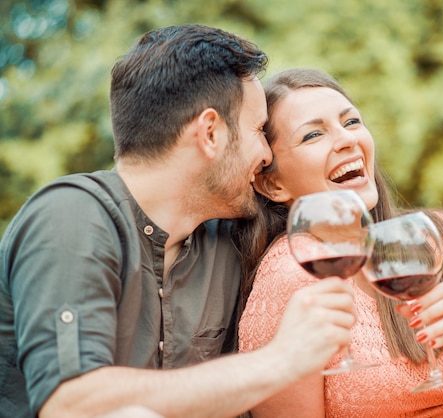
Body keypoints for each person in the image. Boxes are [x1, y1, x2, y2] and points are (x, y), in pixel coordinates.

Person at [0, 26, 358, 418]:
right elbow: (73, 404)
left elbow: (333, 212)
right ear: (209, 133)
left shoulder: (231, 234)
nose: (267, 154)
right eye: (258, 130)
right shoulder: (70, 217)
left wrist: (433, 274)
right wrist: (280, 361)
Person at [235, 68, 443, 417]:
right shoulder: (290, 277)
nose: (347, 139)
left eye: (351, 122)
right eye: (313, 135)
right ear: (273, 185)